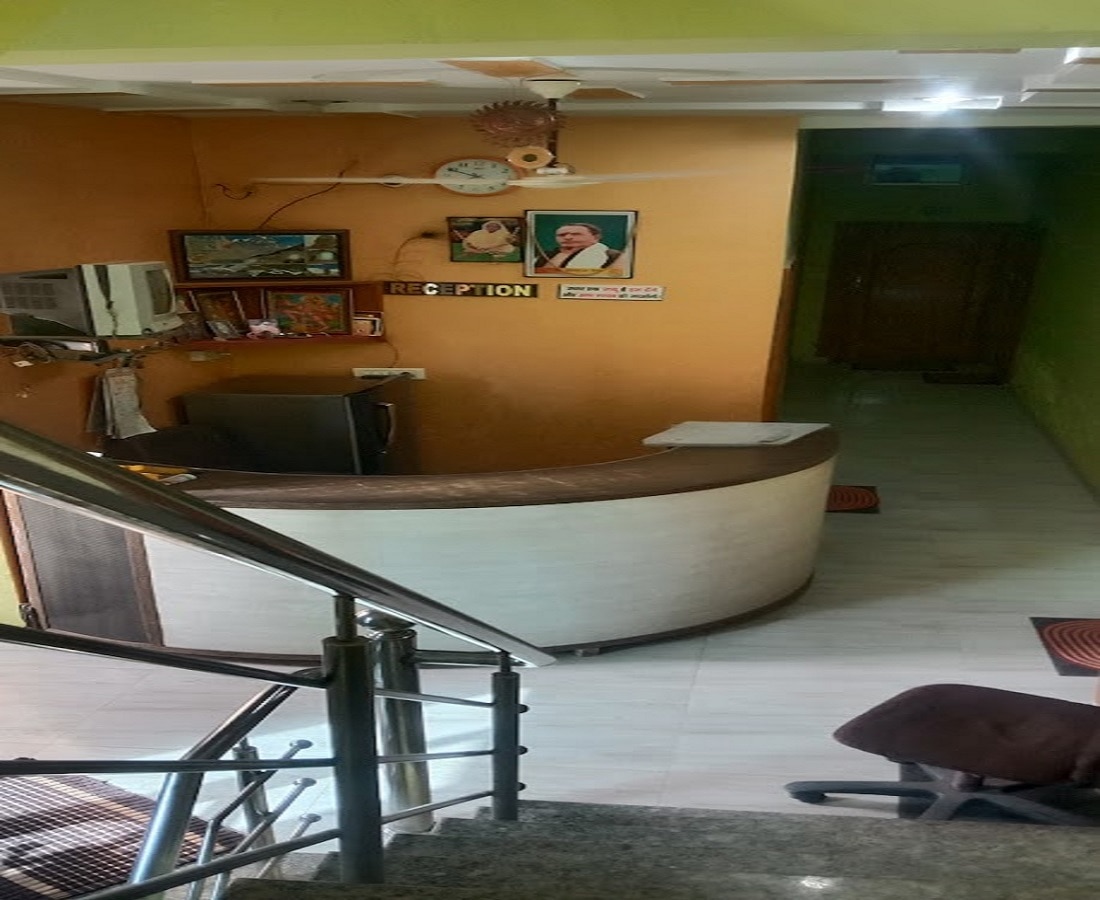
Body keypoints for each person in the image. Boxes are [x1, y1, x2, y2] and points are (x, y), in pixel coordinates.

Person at [535, 222, 623, 273]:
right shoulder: (544, 255)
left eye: (576, 234)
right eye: (562, 235)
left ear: (596, 238)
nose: (567, 237)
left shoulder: (614, 256)